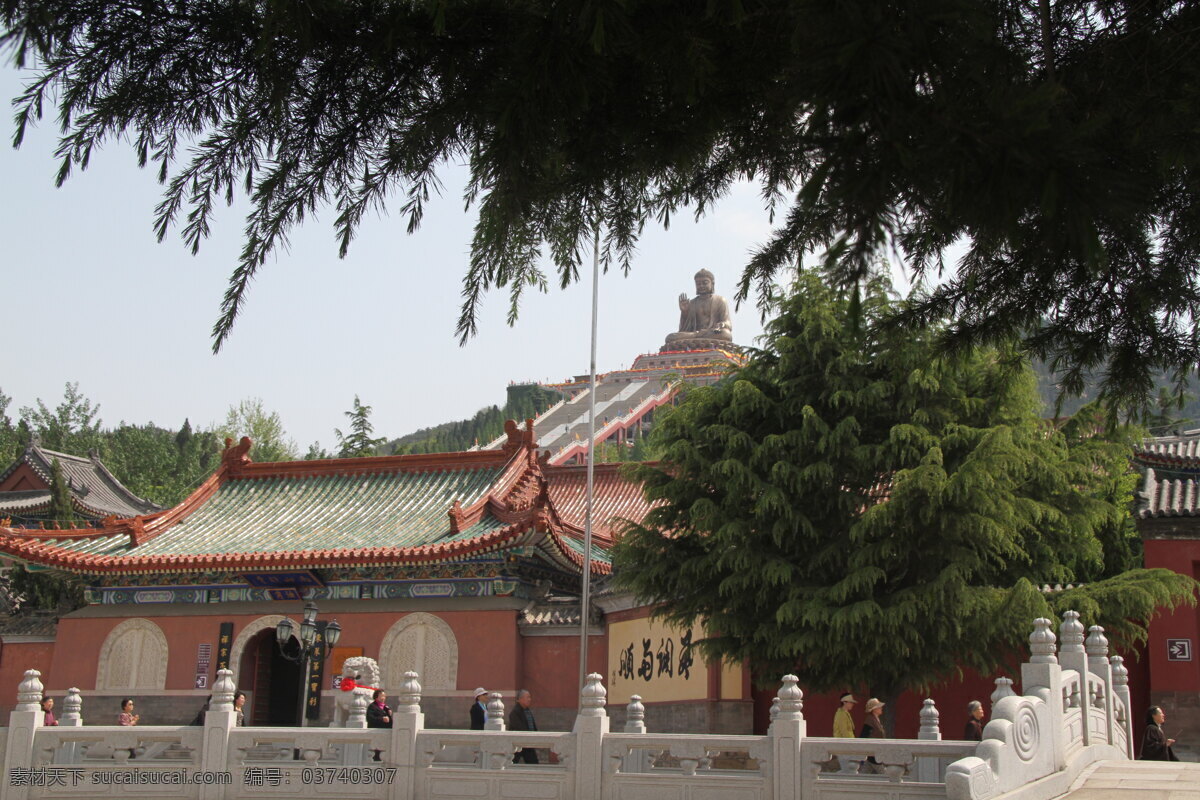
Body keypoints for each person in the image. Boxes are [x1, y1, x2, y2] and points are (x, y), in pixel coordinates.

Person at [663, 269, 734, 347]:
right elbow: (684, 330)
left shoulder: (720, 300)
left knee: (726, 334)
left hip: (712, 333)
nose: (701, 286)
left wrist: (722, 324)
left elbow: (728, 323)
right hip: (694, 334)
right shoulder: (692, 303)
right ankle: (697, 337)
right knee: (670, 337)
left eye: (705, 283)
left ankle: (697, 337)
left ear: (712, 284)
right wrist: (684, 312)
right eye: (698, 284)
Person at [508, 689, 538, 764]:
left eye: (530, 697)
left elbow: (532, 726)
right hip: (518, 744)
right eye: (527, 697)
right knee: (512, 763)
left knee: (534, 764)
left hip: (528, 743)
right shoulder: (515, 712)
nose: (529, 699)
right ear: (520, 699)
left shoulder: (527, 710)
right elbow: (519, 728)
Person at [858, 697, 885, 774]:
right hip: (873, 753)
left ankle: (858, 784)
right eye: (879, 707)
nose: (881, 708)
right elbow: (863, 736)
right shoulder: (870, 720)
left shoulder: (875, 719)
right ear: (874, 709)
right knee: (885, 775)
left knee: (864, 773)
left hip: (874, 753)